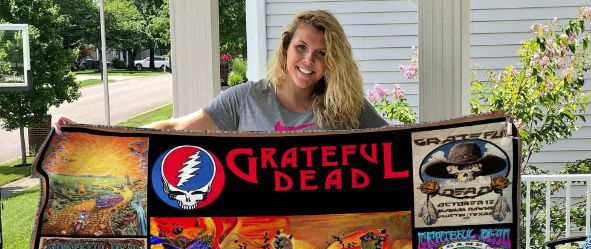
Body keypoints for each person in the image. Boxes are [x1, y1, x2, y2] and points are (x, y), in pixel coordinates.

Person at [54, 10, 386, 135]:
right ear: (286, 47)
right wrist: (91, 133)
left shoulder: (347, 106)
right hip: (255, 238)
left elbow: (399, 146)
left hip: (327, 239)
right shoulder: (246, 99)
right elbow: (174, 127)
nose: (308, 60)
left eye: (321, 53)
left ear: (333, 61)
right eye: (301, 47)